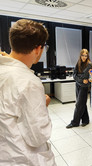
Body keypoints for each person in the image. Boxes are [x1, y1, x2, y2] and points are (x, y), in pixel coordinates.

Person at [0, 19, 56, 165]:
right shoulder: (29, 82)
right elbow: (38, 135)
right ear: (38, 49)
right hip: (23, 158)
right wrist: (43, 104)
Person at [66, 49, 92, 129]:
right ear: (80, 56)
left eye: (85, 55)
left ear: (87, 56)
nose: (84, 57)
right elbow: (74, 75)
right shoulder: (78, 63)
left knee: (79, 104)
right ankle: (85, 120)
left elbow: (85, 77)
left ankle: (75, 122)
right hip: (78, 85)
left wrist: (79, 78)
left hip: (84, 87)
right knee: (82, 103)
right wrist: (80, 79)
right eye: (82, 55)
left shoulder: (89, 65)